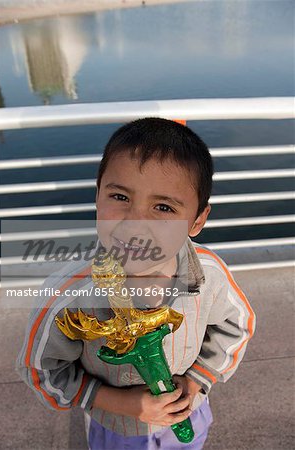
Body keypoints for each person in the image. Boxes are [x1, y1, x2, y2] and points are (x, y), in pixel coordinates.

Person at [16, 118, 256, 450]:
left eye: (163, 207)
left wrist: (199, 380)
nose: (136, 223)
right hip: (118, 430)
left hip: (190, 418)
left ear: (198, 219)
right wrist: (121, 403)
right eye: (120, 196)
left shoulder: (210, 275)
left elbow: (236, 327)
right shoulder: (68, 295)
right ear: (97, 195)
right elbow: (43, 373)